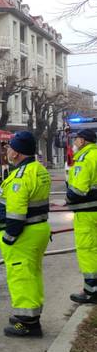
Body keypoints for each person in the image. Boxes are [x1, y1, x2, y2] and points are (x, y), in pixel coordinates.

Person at [0, 131, 51, 337]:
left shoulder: (21, 177)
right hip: (38, 230)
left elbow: (16, 213)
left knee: (21, 276)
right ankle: (30, 315)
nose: (7, 150)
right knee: (32, 274)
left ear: (16, 153)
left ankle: (27, 323)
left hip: (23, 235)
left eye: (9, 147)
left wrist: (9, 237)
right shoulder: (39, 170)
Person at [65, 129, 97, 304]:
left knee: (88, 250)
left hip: (87, 214)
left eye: (76, 139)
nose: (74, 143)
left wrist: (67, 199)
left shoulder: (84, 160)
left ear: (83, 141)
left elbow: (77, 190)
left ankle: (91, 291)